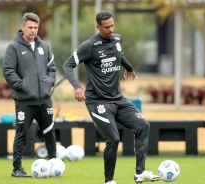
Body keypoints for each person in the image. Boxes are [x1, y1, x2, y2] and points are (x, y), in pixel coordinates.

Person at [62, 11, 160, 184]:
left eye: (112, 25)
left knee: (143, 126)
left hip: (118, 99)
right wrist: (77, 86)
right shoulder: (89, 46)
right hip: (97, 101)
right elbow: (67, 65)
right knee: (113, 139)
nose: (110, 29)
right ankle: (109, 181)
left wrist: (128, 67)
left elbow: (119, 54)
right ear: (98, 27)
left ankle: (140, 172)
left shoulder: (117, 39)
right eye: (106, 27)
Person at [3, 12, 57, 177]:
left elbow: (52, 69)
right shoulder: (14, 47)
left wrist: (48, 83)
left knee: (49, 131)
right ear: (23, 27)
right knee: (22, 134)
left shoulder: (44, 47)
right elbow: (8, 71)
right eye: (30, 27)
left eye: (36, 27)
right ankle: (17, 169)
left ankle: (53, 165)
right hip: (24, 101)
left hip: (44, 100)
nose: (33, 30)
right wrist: (23, 86)